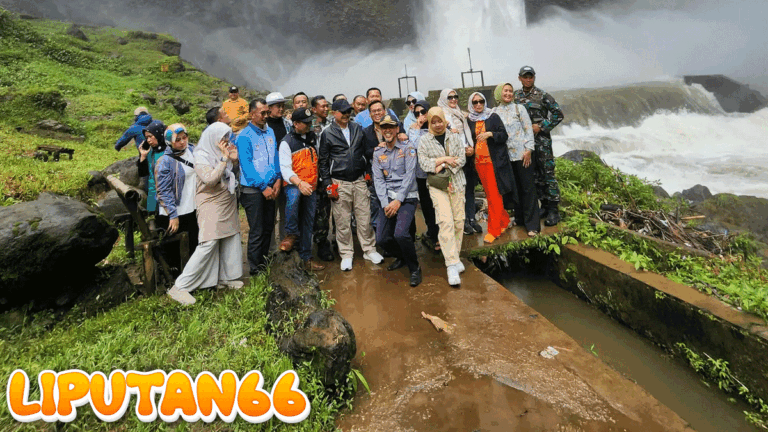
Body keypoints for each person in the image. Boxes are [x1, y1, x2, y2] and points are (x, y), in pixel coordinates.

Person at [166, 122, 243, 305]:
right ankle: (180, 286)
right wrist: (225, 159)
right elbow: (209, 180)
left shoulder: (221, 153)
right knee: (208, 243)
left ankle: (226, 277)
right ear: (213, 138)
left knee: (230, 237)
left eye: (227, 137)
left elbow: (234, 174)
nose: (226, 141)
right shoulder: (200, 156)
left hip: (227, 200)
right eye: (223, 138)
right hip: (210, 203)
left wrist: (234, 160)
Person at [318, 99, 383, 271]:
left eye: (348, 111)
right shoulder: (328, 133)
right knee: (342, 221)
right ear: (334, 113)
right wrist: (327, 185)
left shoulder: (357, 129)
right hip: (339, 181)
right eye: (342, 112)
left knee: (364, 218)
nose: (346, 114)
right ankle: (346, 254)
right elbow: (323, 162)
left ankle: (369, 249)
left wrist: (367, 173)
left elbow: (364, 153)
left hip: (359, 179)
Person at [417, 107, 467, 287]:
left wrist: (442, 163)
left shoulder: (453, 136)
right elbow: (424, 163)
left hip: (457, 181)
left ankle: (455, 255)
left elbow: (461, 159)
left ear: (445, 120)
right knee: (445, 221)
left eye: (440, 121)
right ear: (429, 123)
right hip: (438, 186)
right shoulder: (424, 140)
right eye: (434, 122)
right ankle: (451, 264)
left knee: (459, 220)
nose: (438, 125)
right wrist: (446, 159)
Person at [373, 115, 421, 287]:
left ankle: (414, 268)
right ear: (380, 129)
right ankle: (402, 256)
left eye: (391, 127)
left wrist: (398, 200)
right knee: (382, 239)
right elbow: (378, 180)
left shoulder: (408, 148)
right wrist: (386, 203)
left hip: (407, 197)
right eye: (384, 127)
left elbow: (410, 176)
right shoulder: (378, 153)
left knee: (401, 234)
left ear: (397, 129)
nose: (387, 130)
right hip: (387, 199)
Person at [514, 66, 564, 226]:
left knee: (547, 174)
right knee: (534, 176)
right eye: (525, 77)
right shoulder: (515, 96)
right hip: (525, 144)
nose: (528, 79)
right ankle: (543, 206)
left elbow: (558, 114)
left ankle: (554, 210)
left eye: (531, 77)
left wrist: (541, 126)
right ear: (520, 78)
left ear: (534, 77)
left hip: (541, 142)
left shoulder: (543, 96)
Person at [236, 98, 282, 275]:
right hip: (254, 190)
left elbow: (275, 157)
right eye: (262, 113)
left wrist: (278, 178)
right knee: (257, 230)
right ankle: (255, 269)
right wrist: (263, 186)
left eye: (267, 112)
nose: (265, 116)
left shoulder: (269, 132)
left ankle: (264, 262)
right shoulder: (245, 136)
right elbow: (247, 166)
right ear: (251, 114)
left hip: (271, 186)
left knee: (269, 226)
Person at [278, 107, 325, 272]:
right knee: (293, 198)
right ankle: (290, 233)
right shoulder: (286, 142)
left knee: (308, 221)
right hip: (294, 184)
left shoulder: (313, 137)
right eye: (305, 123)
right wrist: (299, 183)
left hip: (311, 186)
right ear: (296, 124)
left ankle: (307, 257)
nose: (309, 125)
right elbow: (285, 169)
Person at [466, 92, 513, 244]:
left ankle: (494, 230)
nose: (478, 104)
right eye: (475, 102)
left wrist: (490, 134)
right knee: (489, 193)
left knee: (494, 195)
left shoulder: (493, 116)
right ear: (471, 105)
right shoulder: (469, 120)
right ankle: (504, 221)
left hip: (494, 162)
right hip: (478, 163)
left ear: (485, 102)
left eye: (481, 101)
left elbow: (504, 135)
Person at [494, 82, 539, 236]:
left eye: (510, 91)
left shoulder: (519, 109)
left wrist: (529, 150)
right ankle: (519, 219)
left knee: (528, 188)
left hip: (522, 155)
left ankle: (532, 225)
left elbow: (528, 130)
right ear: (499, 93)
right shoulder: (494, 112)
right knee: (514, 189)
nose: (508, 93)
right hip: (506, 157)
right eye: (505, 91)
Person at [155, 124, 200, 269]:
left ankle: (194, 278)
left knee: (194, 244)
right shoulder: (164, 161)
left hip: (192, 207)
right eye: (177, 139)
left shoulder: (193, 150)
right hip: (175, 212)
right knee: (174, 250)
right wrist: (173, 215)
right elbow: (163, 191)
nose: (182, 142)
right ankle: (175, 280)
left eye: (184, 137)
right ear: (169, 142)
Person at [437, 89, 480, 236]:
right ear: (444, 99)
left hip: (467, 154)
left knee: (469, 189)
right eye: (450, 97)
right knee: (458, 190)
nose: (454, 100)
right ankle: (463, 222)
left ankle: (472, 218)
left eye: (456, 97)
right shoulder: (441, 114)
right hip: (454, 158)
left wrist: (470, 147)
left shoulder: (460, 113)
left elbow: (465, 132)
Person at [407, 100, 440, 254]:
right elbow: (414, 146)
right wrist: (419, 128)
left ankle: (443, 235)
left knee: (439, 204)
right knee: (427, 206)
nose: (421, 115)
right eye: (417, 113)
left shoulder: (437, 125)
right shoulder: (413, 129)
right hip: (421, 174)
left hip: (438, 172)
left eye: (423, 112)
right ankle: (433, 235)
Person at [265, 92, 293, 242]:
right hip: (270, 176)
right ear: (269, 108)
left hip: (287, 174)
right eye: (278, 106)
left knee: (286, 213)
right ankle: (270, 250)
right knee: (270, 214)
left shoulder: (288, 124)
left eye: (283, 106)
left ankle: (285, 244)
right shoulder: (264, 126)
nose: (281, 109)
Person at [310, 95, 335, 262]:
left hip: (331, 174)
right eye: (322, 106)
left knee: (328, 207)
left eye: (327, 106)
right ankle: (320, 242)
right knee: (319, 210)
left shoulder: (332, 124)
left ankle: (334, 240)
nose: (326, 109)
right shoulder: (309, 126)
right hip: (314, 176)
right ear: (314, 109)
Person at [137, 120, 166, 216]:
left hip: (166, 194)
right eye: (146, 138)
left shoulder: (169, 151)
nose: (148, 140)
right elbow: (143, 173)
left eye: (151, 136)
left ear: (159, 134)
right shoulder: (149, 151)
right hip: (152, 193)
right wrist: (143, 157)